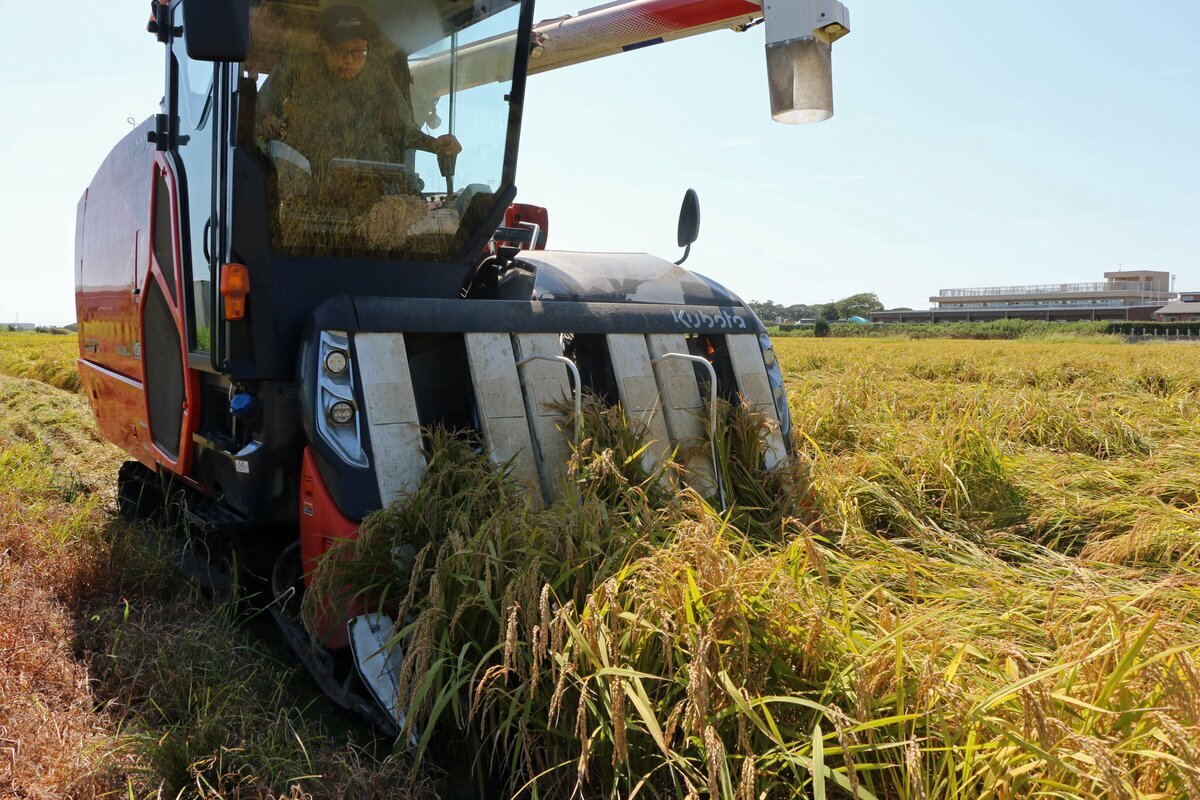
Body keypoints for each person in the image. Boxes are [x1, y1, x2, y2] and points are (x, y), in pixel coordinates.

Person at [257, 4, 460, 171]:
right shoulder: (294, 69)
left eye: (358, 51)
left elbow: (402, 130)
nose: (349, 60)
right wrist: (267, 123)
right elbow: (256, 115)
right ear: (321, 46)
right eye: (339, 51)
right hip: (305, 184)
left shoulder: (378, 75)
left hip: (364, 181)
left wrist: (435, 145)